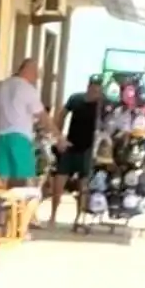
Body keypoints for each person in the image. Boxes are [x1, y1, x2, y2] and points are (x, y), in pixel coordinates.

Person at [48, 75, 108, 221]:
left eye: (98, 87)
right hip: (71, 145)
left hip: (88, 148)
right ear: (88, 86)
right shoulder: (76, 99)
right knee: (60, 179)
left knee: (83, 184)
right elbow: (62, 115)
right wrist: (59, 137)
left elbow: (106, 125)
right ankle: (53, 215)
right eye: (93, 86)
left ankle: (78, 217)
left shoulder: (102, 104)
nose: (95, 90)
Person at [0, 57, 44, 188]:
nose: (36, 78)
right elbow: (42, 116)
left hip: (1, 137)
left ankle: (2, 200)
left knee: (1, 178)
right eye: (36, 74)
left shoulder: (2, 86)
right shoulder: (27, 88)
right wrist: (59, 137)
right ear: (29, 70)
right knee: (24, 178)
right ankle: (20, 201)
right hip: (20, 138)